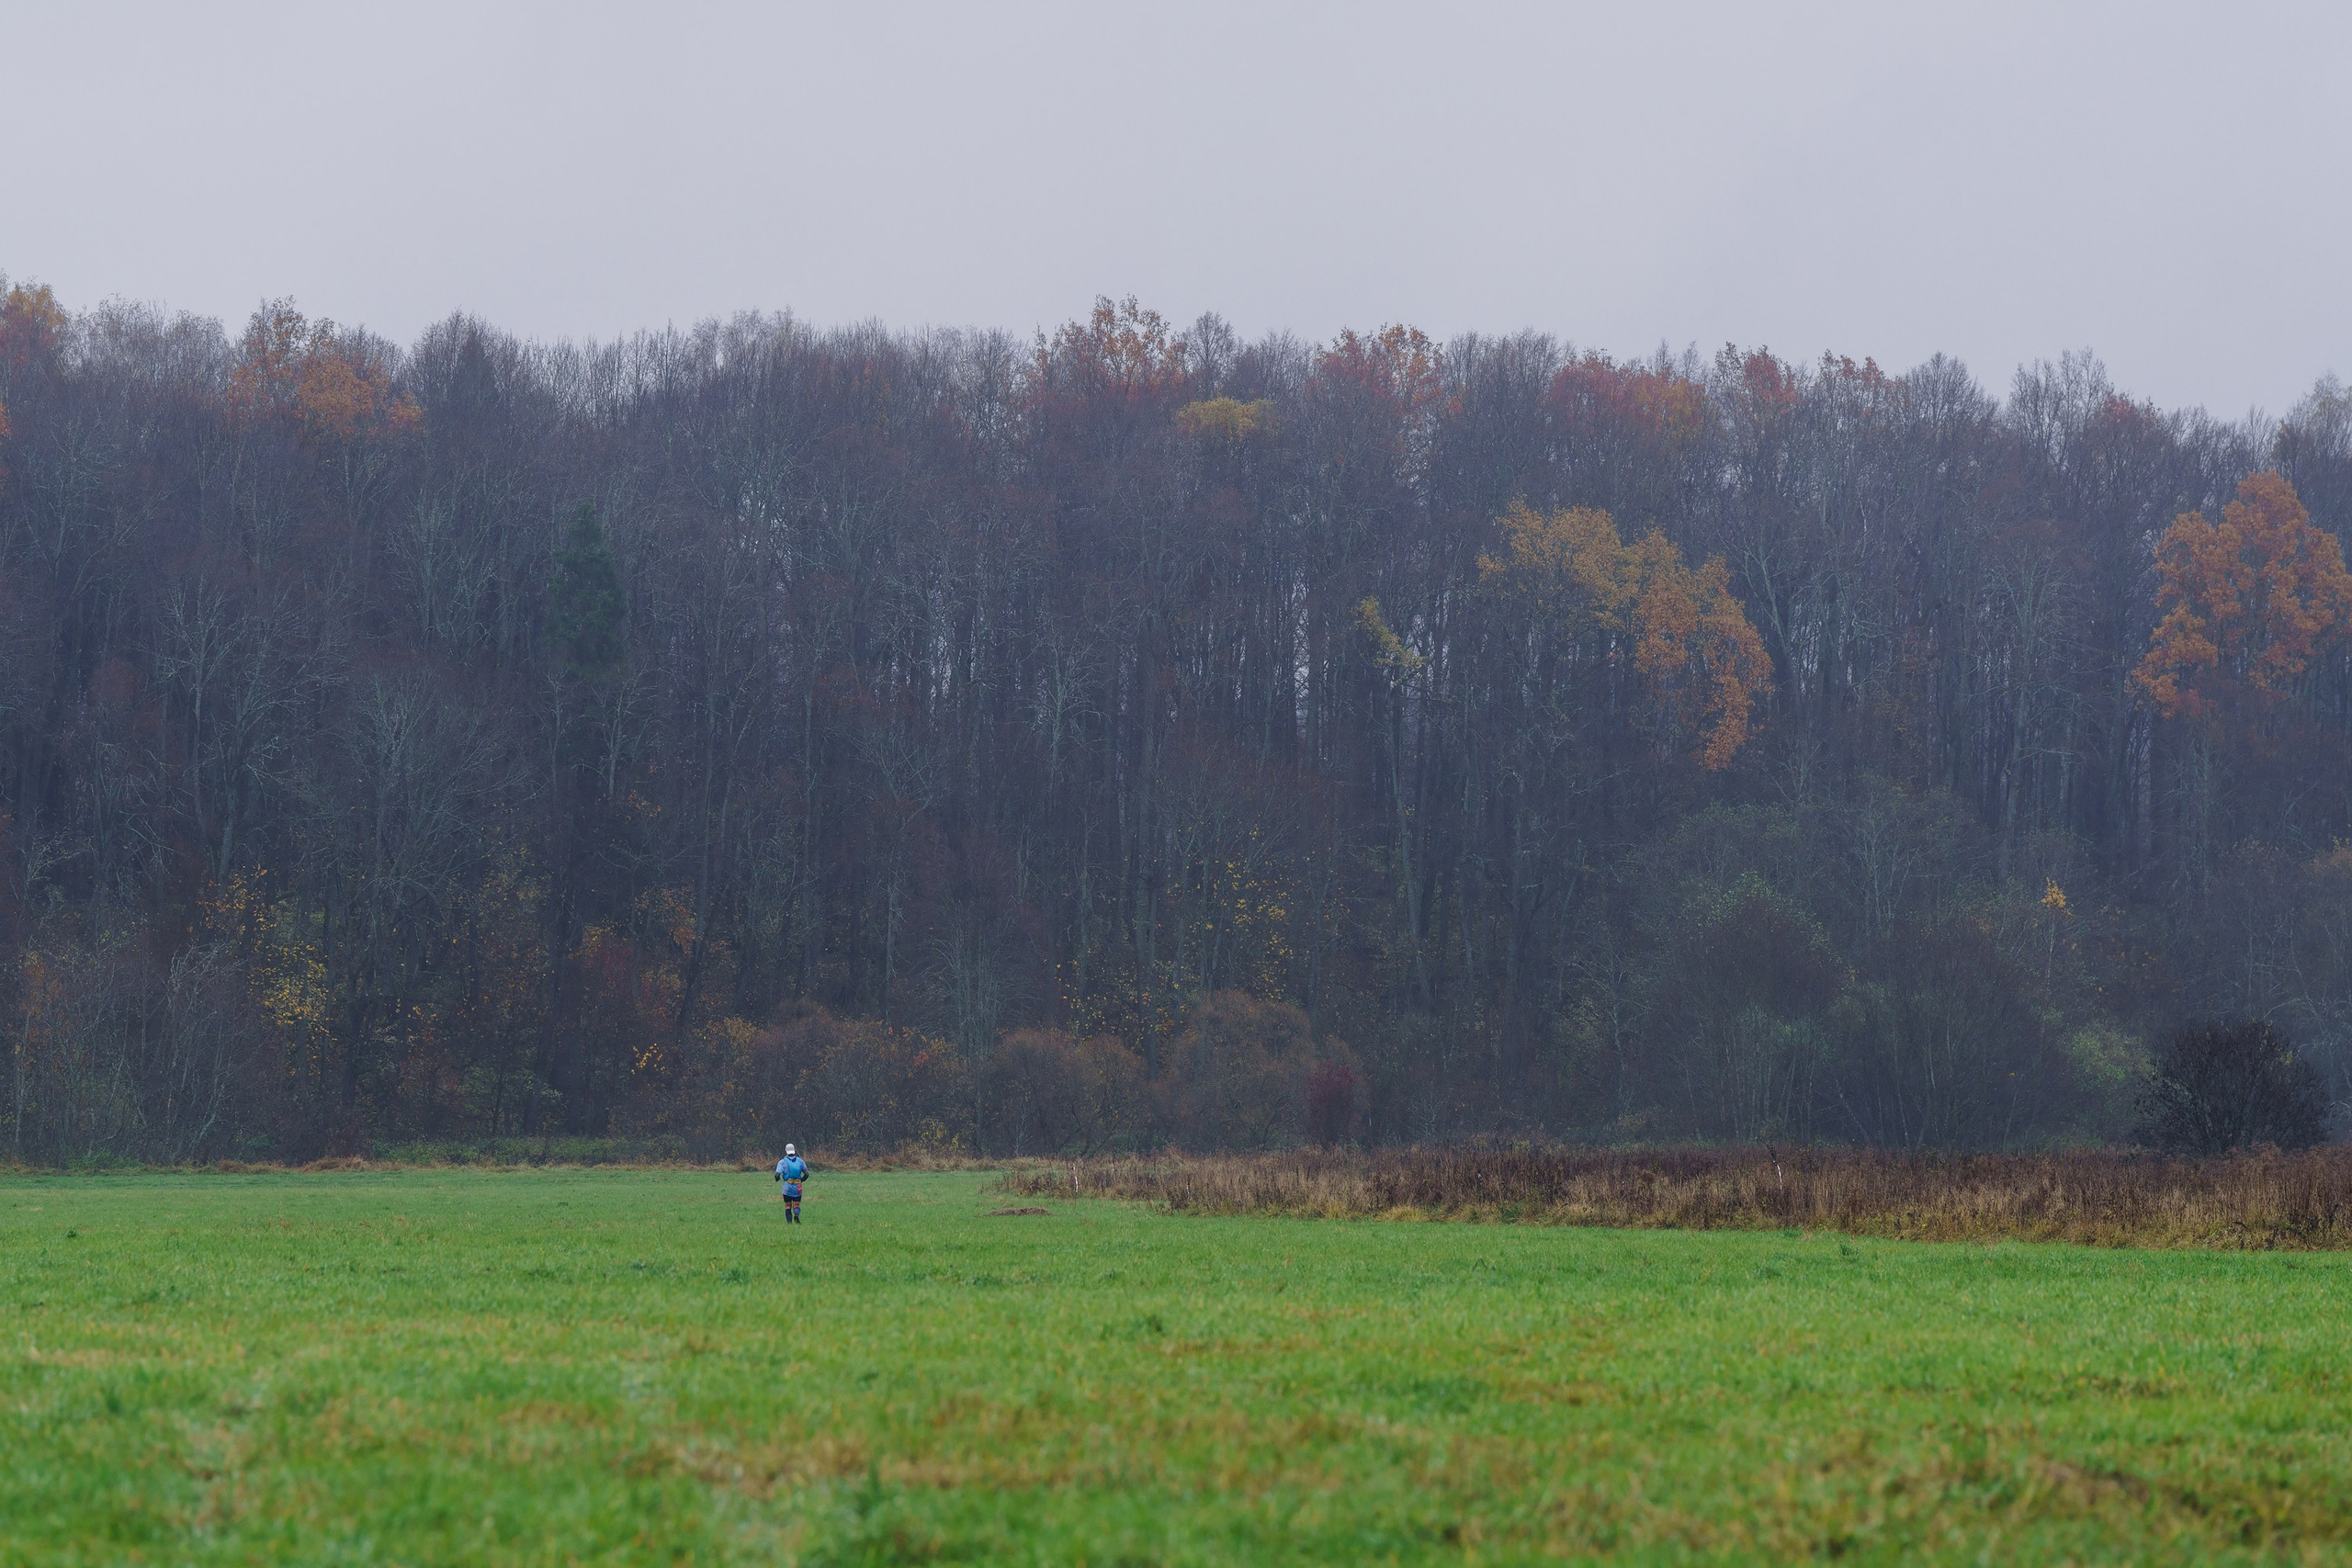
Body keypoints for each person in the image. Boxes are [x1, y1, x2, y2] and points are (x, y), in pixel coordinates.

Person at [775, 1144, 808, 1223]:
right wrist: (801, 1181)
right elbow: (807, 1174)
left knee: (788, 1206)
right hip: (798, 1187)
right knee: (796, 1205)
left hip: (787, 1187)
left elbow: (777, 1174)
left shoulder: (782, 1162)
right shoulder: (800, 1161)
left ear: (786, 1152)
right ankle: (796, 1215)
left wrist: (777, 1179)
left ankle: (789, 1223)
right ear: (794, 1151)